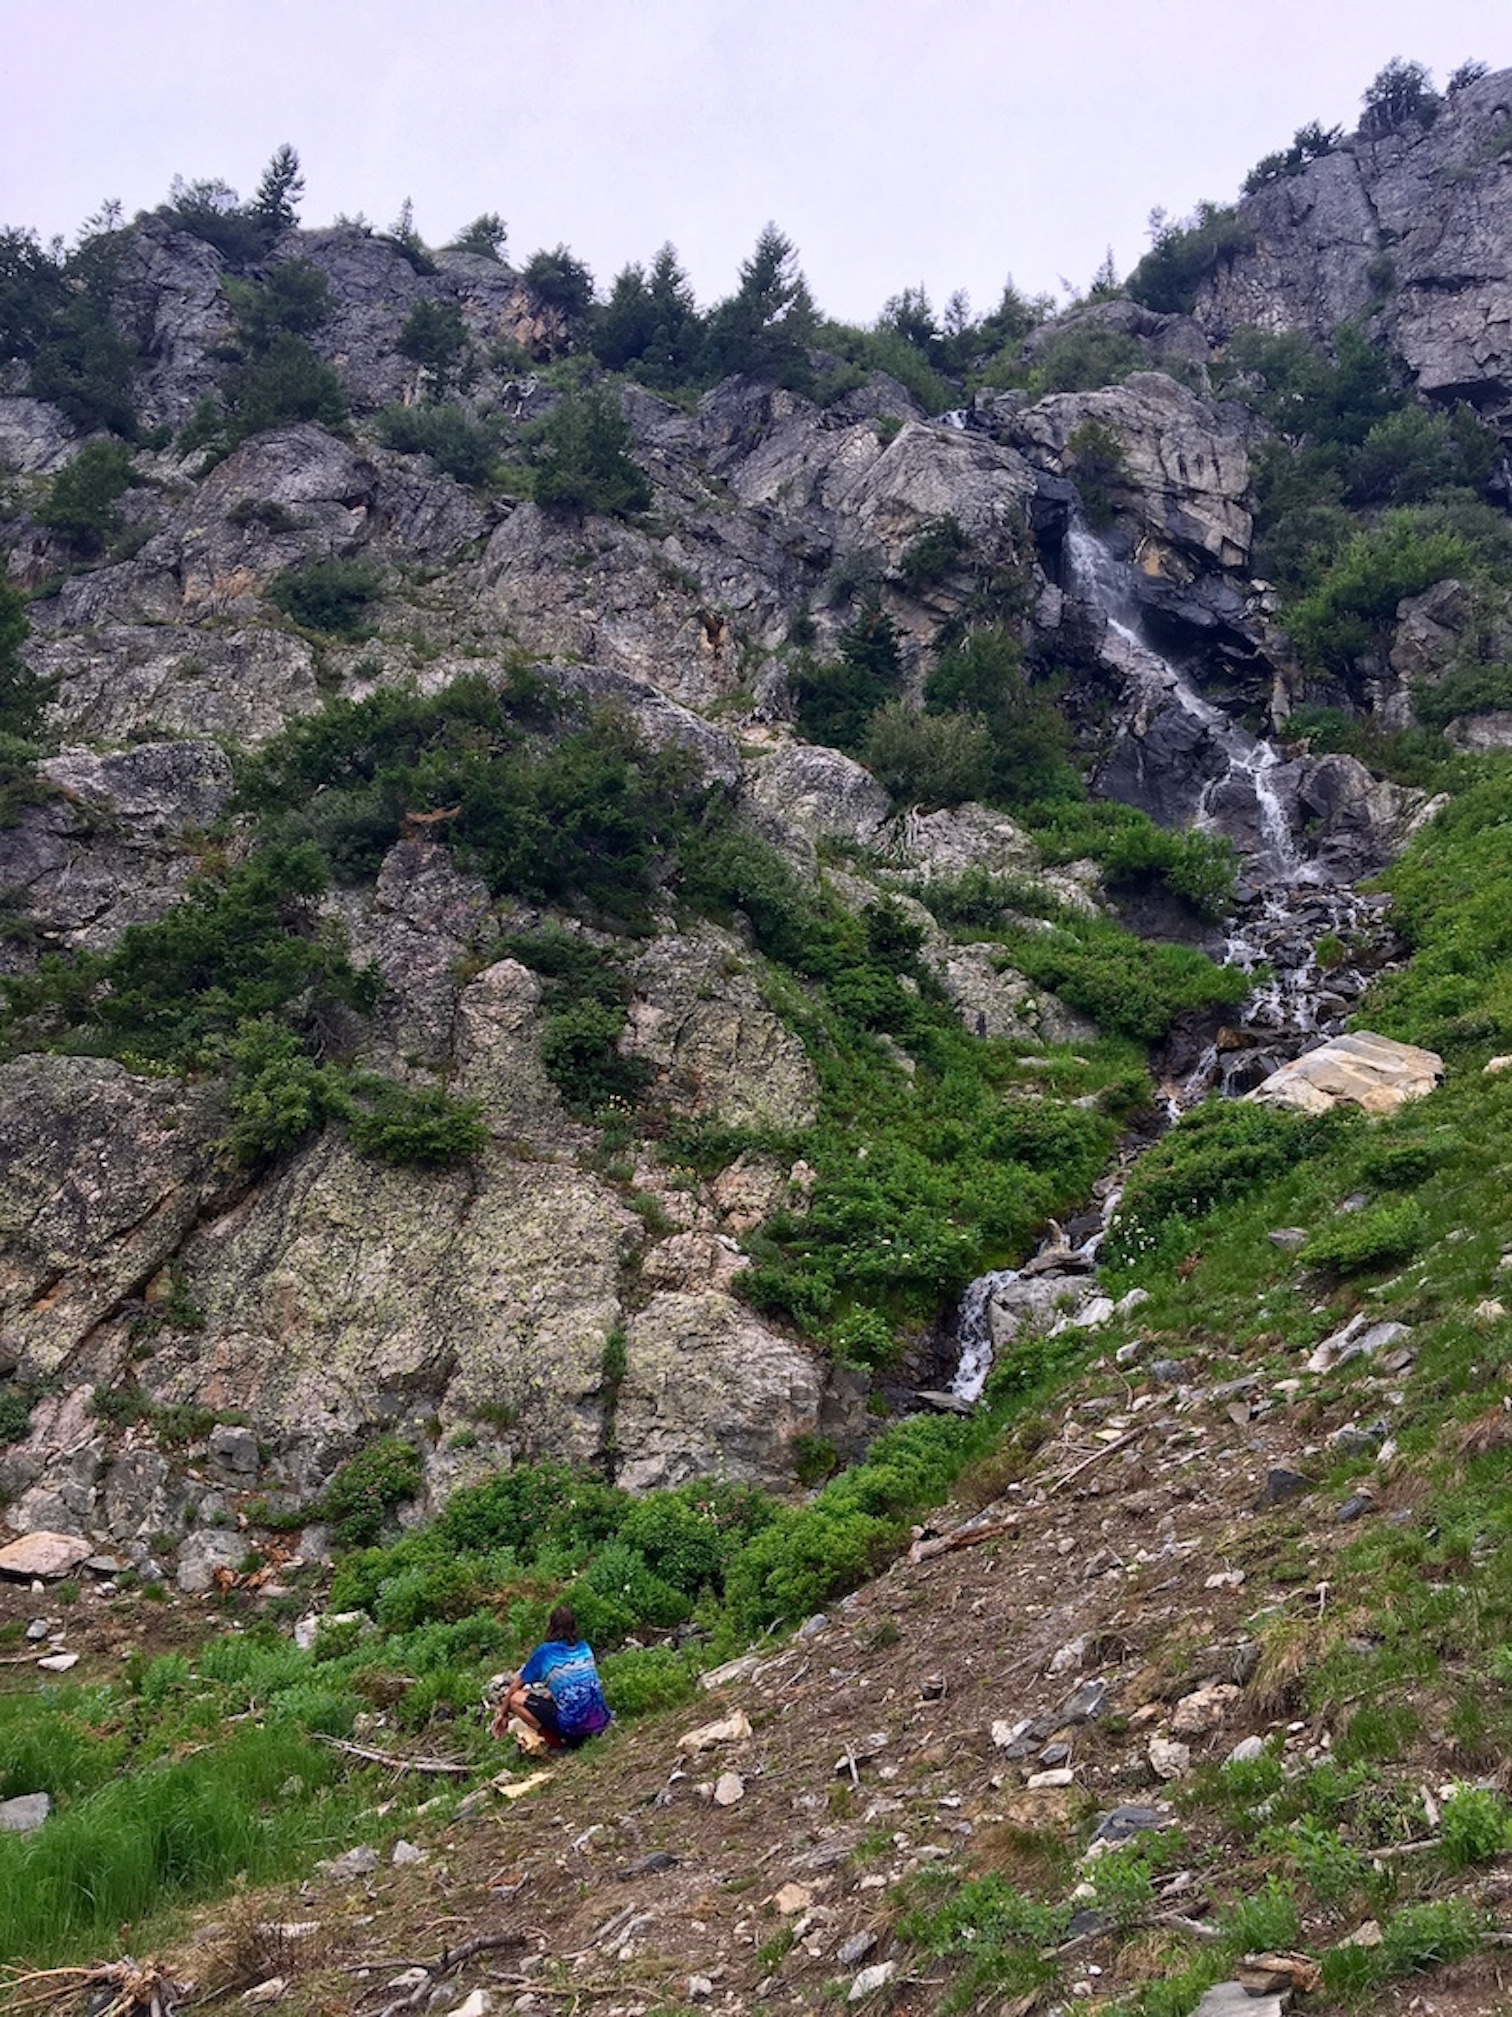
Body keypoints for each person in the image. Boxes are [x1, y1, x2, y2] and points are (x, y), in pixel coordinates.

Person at [491, 1604, 611, 1752]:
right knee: (550, 1696)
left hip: (573, 1730)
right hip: (600, 1722)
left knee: (516, 1699)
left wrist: (503, 1714)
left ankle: (557, 1744)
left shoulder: (545, 1653)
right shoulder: (583, 1647)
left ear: (551, 1626)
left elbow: (514, 1688)